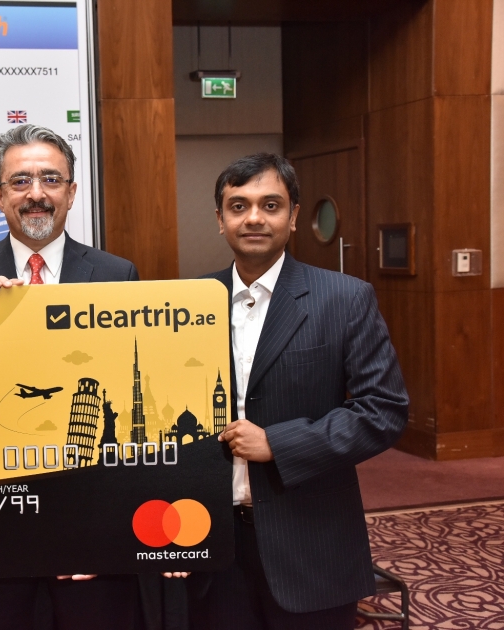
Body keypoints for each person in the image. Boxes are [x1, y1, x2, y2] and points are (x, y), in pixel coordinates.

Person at [182, 153, 408, 629]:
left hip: (310, 541)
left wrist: (278, 443)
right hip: (209, 544)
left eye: (271, 205)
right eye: (238, 206)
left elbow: (383, 410)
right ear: (220, 220)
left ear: (294, 216)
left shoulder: (345, 298)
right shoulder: (187, 303)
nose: (254, 218)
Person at [0, 124, 144, 630]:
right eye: (20, 181)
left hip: (88, 514)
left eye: (51, 179)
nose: (36, 194)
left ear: (71, 193)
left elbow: (121, 396)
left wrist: (109, 531)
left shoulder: (117, 275)